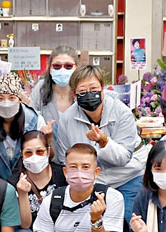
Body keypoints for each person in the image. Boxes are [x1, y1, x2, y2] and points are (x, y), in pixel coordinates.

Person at [54, 65, 143, 222]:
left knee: (126, 222)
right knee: (89, 223)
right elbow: (64, 158)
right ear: (74, 95)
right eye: (82, 91)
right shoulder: (67, 119)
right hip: (90, 182)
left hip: (128, 176)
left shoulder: (122, 112)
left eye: (94, 89)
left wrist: (104, 142)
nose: (89, 94)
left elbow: (123, 158)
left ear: (102, 89)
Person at [0, 72, 45, 179]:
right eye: (0, 99)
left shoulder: (34, 119)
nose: (6, 103)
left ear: (20, 100)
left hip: (27, 178)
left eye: (12, 98)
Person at [30, 46, 77, 134]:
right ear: (50, 68)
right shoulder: (41, 89)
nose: (62, 70)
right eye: (57, 66)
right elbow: (31, 120)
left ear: (76, 67)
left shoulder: (82, 91)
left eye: (68, 66)